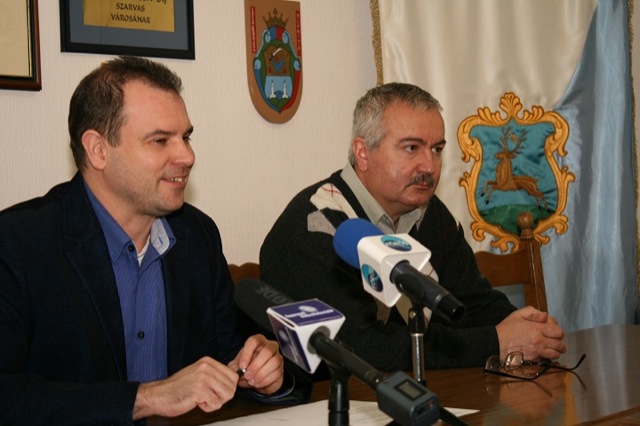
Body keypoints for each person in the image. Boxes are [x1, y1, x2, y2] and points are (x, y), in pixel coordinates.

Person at [0, 56, 287, 424]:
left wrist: (262, 371)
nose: (187, 156)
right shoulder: (19, 244)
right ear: (98, 149)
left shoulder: (197, 236)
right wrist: (147, 398)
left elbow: (231, 360)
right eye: (160, 140)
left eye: (186, 137)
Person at [260, 82, 566, 380]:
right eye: (411, 148)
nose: (430, 166)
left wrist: (527, 329)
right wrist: (496, 342)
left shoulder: (428, 213)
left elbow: (471, 302)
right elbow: (362, 349)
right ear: (363, 153)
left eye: (436, 149)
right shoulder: (316, 226)